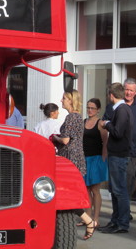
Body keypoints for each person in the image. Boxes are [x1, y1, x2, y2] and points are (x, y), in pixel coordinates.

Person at [52, 90, 96, 240]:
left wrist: (55, 137)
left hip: (70, 159)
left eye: (64, 98)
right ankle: (89, 221)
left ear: (70, 101)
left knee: (66, 195)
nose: (61, 100)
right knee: (68, 194)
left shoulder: (71, 117)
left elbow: (65, 140)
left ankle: (89, 221)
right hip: (76, 157)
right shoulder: (77, 117)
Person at [103, 78, 136, 203]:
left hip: (134, 150)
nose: (129, 93)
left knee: (129, 182)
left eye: (131, 90)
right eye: (127, 89)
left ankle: (124, 212)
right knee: (116, 186)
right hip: (118, 151)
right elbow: (105, 126)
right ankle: (121, 214)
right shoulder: (112, 107)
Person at [98, 82, 134, 234]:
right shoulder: (122, 109)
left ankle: (122, 222)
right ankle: (116, 220)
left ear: (111, 95)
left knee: (119, 190)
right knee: (115, 190)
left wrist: (106, 124)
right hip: (117, 154)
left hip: (119, 155)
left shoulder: (122, 110)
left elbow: (118, 132)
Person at [82, 98, 108, 228]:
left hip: (96, 159)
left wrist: (103, 158)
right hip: (85, 159)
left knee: (95, 189)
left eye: (92, 108)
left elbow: (105, 142)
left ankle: (96, 218)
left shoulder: (100, 123)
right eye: (88, 108)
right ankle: (88, 217)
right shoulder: (83, 122)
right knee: (86, 189)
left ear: (98, 110)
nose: (90, 110)